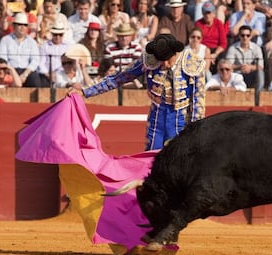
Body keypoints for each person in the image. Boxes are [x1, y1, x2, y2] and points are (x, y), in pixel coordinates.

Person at [72, 33, 206, 150]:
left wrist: (194, 131)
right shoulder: (150, 59)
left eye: (167, 59)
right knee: (151, 160)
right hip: (157, 116)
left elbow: (197, 102)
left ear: (175, 53)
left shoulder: (192, 63)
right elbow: (119, 77)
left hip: (180, 118)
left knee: (178, 160)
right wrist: (85, 92)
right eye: (160, 60)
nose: (163, 64)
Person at [0, 12, 41, 88]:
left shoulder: (32, 42)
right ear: (14, 26)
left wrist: (25, 74)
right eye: (19, 24)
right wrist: (12, 72)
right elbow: (2, 59)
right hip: (9, 70)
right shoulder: (5, 40)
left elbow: (35, 60)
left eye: (25, 25)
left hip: (27, 71)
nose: (22, 27)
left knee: (35, 80)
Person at [225, 25, 264, 96]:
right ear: (239, 36)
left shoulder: (257, 48)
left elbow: (261, 66)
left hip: (251, 74)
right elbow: (227, 66)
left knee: (260, 73)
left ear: (251, 36)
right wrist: (240, 67)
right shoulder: (232, 48)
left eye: (247, 35)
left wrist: (250, 67)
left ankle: (259, 95)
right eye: (242, 35)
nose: (245, 37)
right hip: (237, 75)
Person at [195, 1, 228, 74]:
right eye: (205, 13)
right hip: (204, 50)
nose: (207, 15)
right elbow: (198, 41)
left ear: (213, 13)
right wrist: (208, 54)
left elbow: (223, 43)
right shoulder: (198, 24)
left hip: (217, 50)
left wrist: (215, 54)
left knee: (222, 59)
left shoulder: (218, 23)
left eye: (209, 13)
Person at [38, 21, 71, 87]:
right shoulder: (45, 46)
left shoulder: (68, 46)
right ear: (52, 34)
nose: (58, 37)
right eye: (55, 34)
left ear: (63, 34)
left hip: (64, 74)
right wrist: (48, 74)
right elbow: (41, 63)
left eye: (60, 35)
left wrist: (58, 74)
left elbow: (70, 62)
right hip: (47, 75)